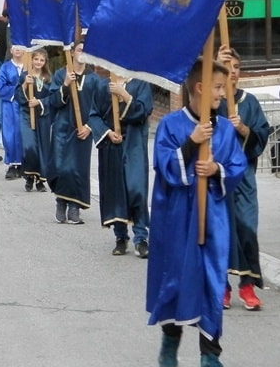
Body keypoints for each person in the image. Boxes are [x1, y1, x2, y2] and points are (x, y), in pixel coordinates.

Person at [148, 59, 246, 367]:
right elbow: (164, 165)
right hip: (177, 218)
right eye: (218, 87)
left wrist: (217, 169)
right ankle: (170, 342)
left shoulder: (226, 129)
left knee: (212, 281)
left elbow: (237, 166)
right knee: (175, 279)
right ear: (200, 88)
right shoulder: (171, 125)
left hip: (212, 219)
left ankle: (209, 354)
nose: (222, 94)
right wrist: (192, 143)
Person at [217, 46, 270, 310]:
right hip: (220, 177)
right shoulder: (214, 100)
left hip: (245, 177)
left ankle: (247, 287)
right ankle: (223, 287)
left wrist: (243, 128)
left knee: (247, 228)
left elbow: (261, 134)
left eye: (236, 68)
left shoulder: (249, 101)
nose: (232, 73)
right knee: (222, 232)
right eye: (227, 68)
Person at [89, 68, 154, 257]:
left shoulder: (141, 83)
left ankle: (141, 237)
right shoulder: (103, 86)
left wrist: (124, 95)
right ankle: (120, 236)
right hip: (112, 145)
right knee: (116, 190)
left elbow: (144, 111)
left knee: (136, 189)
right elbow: (94, 115)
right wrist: (107, 132)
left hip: (133, 144)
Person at [48, 41, 98, 225]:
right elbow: (53, 100)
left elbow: (99, 108)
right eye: (79, 50)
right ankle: (61, 202)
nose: (82, 53)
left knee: (77, 168)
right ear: (73, 52)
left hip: (82, 130)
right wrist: (65, 85)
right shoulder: (61, 74)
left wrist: (90, 127)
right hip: (63, 127)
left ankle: (74, 208)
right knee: (61, 167)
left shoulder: (94, 79)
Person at [16, 48, 52, 192]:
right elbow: (17, 96)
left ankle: (40, 180)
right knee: (30, 146)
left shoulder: (49, 78)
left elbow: (52, 97)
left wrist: (40, 102)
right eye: (36, 59)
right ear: (31, 60)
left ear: (45, 62)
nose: (38, 62)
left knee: (42, 148)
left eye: (41, 60)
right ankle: (29, 176)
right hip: (26, 114)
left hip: (42, 116)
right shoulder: (25, 75)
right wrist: (25, 84)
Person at [0, 47, 26, 180]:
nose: (18, 50)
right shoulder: (6, 67)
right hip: (10, 103)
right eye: (15, 48)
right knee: (10, 134)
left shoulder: (29, 66)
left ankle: (24, 164)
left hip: (26, 104)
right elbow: (1, 87)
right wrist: (19, 88)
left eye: (21, 48)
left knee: (24, 134)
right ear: (11, 51)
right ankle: (12, 164)